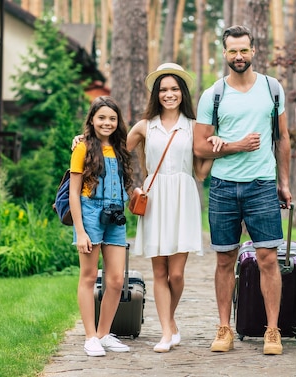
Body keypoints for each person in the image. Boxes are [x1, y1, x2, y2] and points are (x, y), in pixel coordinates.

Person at [193, 25, 292, 355]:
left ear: (253, 51)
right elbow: (199, 148)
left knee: (267, 259)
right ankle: (224, 328)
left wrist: (285, 183)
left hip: (262, 185)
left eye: (244, 50)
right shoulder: (213, 95)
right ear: (224, 54)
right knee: (225, 260)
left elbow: (283, 139)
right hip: (222, 187)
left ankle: (273, 331)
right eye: (232, 51)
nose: (239, 56)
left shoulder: (272, 88)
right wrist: (236, 146)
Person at [127, 63, 222, 353]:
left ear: (182, 93)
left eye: (174, 89)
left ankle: (169, 321)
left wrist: (216, 147)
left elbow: (201, 173)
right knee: (159, 272)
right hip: (155, 197)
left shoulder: (194, 126)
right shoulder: (145, 126)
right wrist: (84, 140)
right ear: (157, 94)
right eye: (164, 89)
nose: (169, 94)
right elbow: (114, 151)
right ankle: (167, 331)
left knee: (177, 274)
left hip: (183, 197)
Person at [69, 96, 133, 357]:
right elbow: (74, 193)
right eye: (102, 117)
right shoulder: (82, 148)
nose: (107, 122)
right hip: (90, 214)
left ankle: (104, 334)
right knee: (88, 276)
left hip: (115, 215)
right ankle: (90, 336)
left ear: (118, 122)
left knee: (116, 279)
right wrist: (81, 231)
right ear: (92, 120)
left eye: (112, 118)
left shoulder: (121, 148)